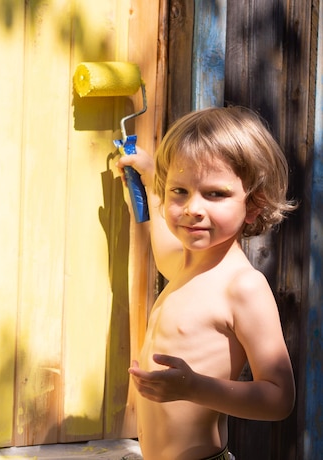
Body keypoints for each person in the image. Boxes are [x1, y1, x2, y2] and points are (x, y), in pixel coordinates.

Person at [116, 106, 296, 460]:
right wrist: (150, 177)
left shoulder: (242, 286)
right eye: (180, 191)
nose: (191, 208)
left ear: (255, 204)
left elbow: (279, 399)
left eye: (215, 194)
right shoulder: (183, 265)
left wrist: (195, 387)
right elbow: (160, 231)